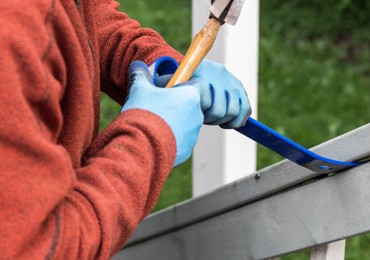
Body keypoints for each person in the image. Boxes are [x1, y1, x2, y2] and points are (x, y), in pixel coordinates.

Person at [0, 0, 251, 259]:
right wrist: (152, 135)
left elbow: (84, 14)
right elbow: (38, 248)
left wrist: (152, 59)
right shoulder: (11, 32)